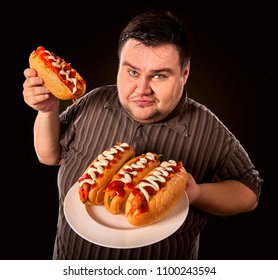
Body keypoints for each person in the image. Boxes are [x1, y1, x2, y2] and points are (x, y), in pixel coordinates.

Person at [22, 10, 262, 259]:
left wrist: (199, 194)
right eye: (133, 72)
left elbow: (250, 191)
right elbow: (49, 155)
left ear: (185, 74)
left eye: (159, 75)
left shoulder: (208, 127)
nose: (142, 89)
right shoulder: (93, 101)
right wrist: (47, 111)